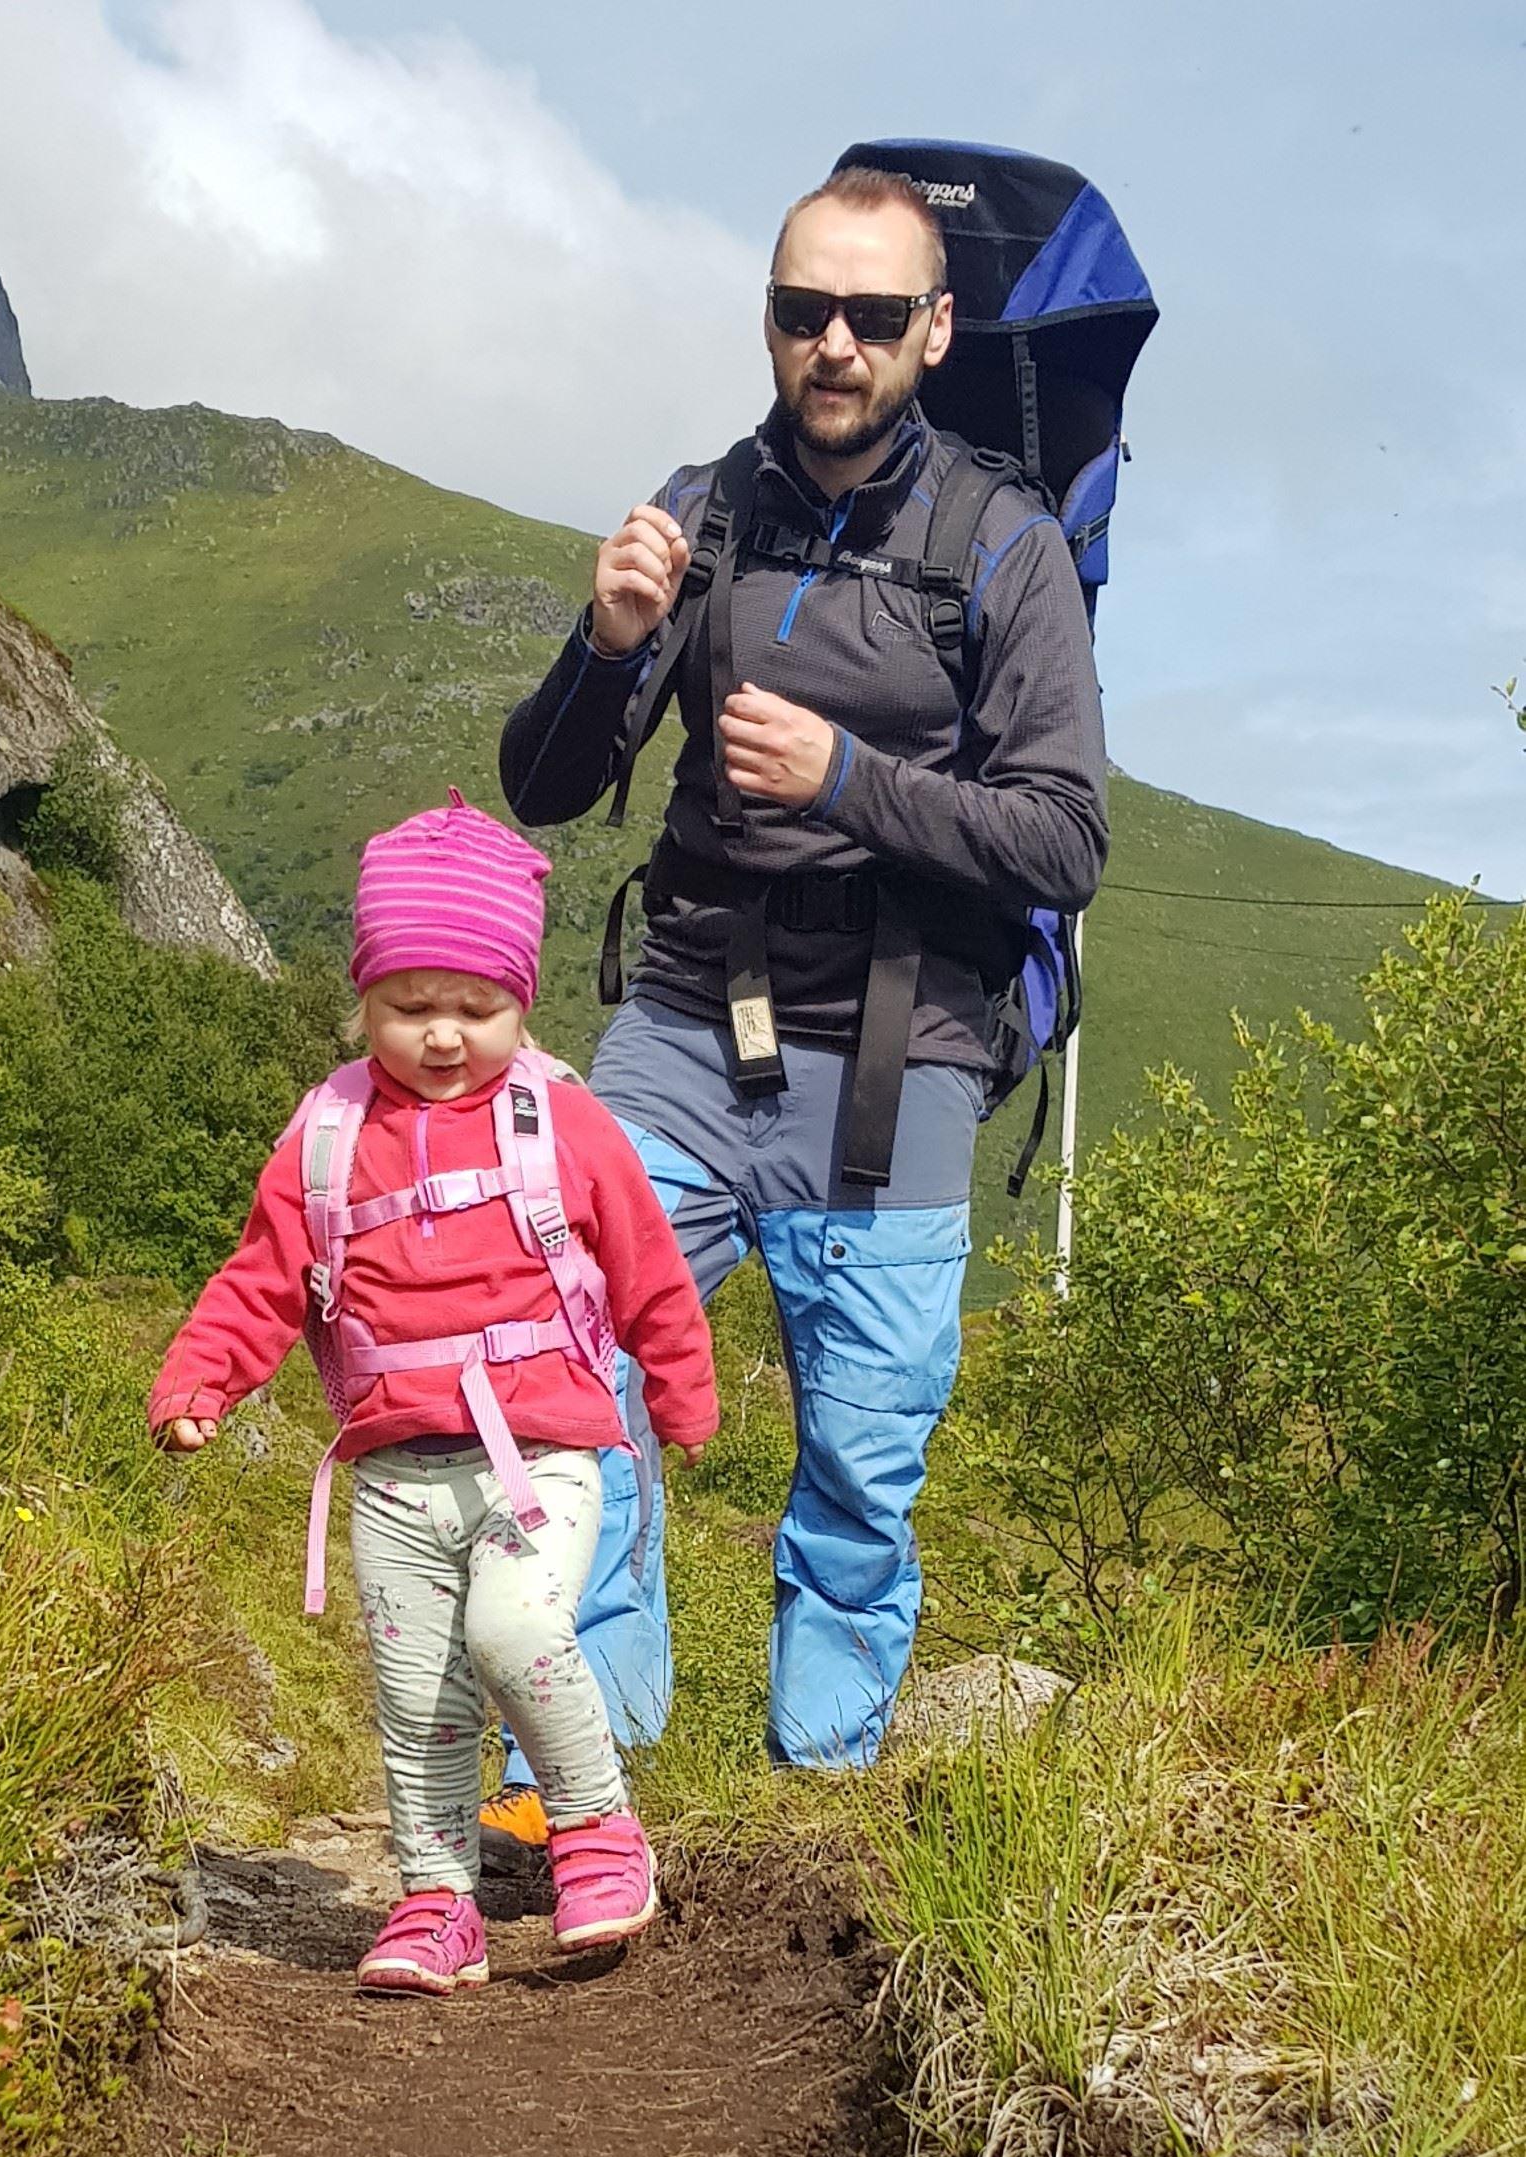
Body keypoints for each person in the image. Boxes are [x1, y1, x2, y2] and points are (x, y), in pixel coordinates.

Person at [481, 161, 1106, 1857]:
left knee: (860, 1457)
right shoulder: (708, 512)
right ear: (769, 315)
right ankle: (582, 1774)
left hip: (902, 1046)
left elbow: (1064, 837)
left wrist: (848, 778)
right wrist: (609, 645)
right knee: (563, 1355)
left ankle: (816, 1808)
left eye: (874, 315)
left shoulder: (1005, 547)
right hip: (687, 1019)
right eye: (801, 309)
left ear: (936, 329)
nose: (834, 343)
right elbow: (545, 787)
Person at [148, 791, 719, 1995]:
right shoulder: (326, 1131)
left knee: (513, 1631)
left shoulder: (560, 1118)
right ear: (363, 998)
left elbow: (645, 1267)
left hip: (544, 1458)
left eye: (478, 1006)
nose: (444, 1033)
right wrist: (203, 1375)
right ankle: (432, 1897)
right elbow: (264, 1276)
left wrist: (677, 1390)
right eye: (411, 1005)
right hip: (396, 1474)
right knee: (416, 1701)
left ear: (523, 1002)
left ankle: (598, 1833)